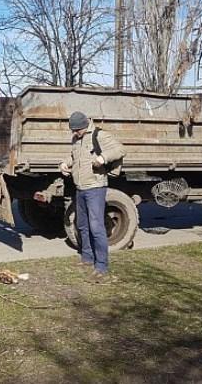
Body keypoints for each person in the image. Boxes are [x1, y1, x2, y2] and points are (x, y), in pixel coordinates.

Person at [60, 111, 125, 281]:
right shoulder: (76, 138)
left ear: (84, 126)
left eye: (76, 130)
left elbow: (119, 149)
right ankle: (87, 259)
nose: (74, 133)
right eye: (73, 131)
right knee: (82, 225)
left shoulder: (100, 135)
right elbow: (74, 155)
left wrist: (103, 158)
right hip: (80, 188)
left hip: (95, 188)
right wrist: (64, 164)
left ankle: (101, 267)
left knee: (96, 228)